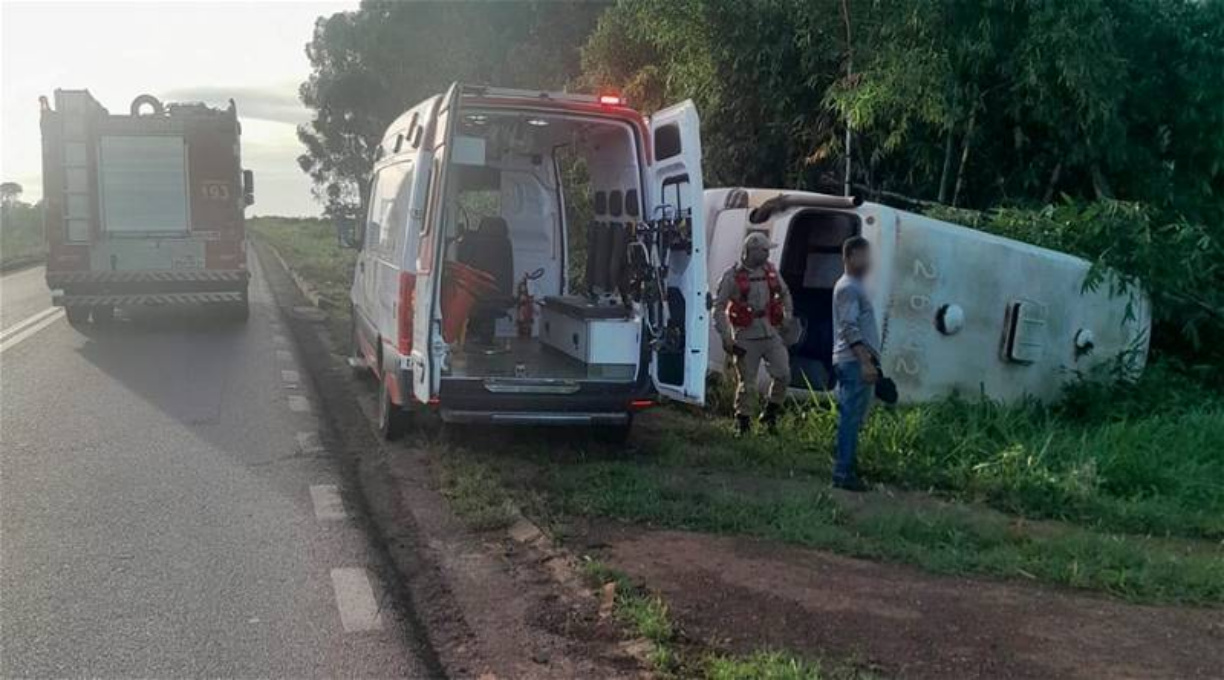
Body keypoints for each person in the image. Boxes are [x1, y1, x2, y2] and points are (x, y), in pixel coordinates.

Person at [712, 231, 794, 435]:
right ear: (752, 251)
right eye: (764, 250)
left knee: (783, 374)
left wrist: (788, 315)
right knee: (747, 382)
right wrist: (725, 336)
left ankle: (770, 414)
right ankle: (743, 422)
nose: (767, 254)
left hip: (770, 331)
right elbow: (718, 307)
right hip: (745, 335)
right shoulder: (731, 277)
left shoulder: (770, 272)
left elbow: (784, 293)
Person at [831, 236, 879, 491]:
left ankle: (845, 463)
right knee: (850, 417)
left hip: (855, 360)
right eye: (864, 255)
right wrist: (865, 362)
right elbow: (849, 327)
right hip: (852, 361)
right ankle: (842, 472)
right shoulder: (848, 287)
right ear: (849, 257)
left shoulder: (854, 286)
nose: (869, 261)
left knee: (854, 416)